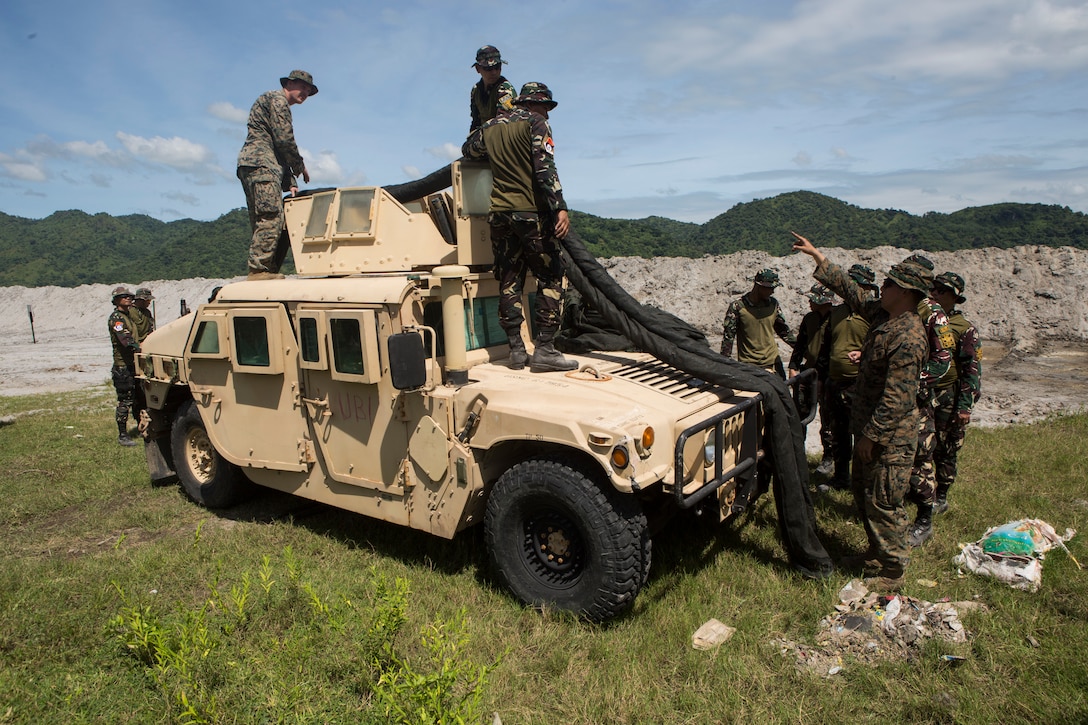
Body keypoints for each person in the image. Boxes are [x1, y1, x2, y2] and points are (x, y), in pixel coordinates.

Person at [792, 232, 929, 592]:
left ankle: (893, 570)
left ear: (906, 292)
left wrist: (871, 437)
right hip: (870, 428)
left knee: (884, 500)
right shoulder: (886, 317)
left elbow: (898, 397)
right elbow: (853, 292)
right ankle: (875, 554)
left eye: (890, 284)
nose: (882, 287)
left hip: (889, 437)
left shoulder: (909, 335)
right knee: (864, 494)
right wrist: (818, 257)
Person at [462, 82, 576, 373]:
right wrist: (559, 206)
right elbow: (544, 167)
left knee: (509, 279)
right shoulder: (535, 123)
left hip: (499, 215)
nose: (547, 115)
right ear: (534, 104)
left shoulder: (490, 127)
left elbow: (468, 149)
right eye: (545, 108)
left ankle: (516, 350)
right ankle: (546, 350)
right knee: (551, 276)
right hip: (531, 213)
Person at [237, 69, 318, 280]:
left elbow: (276, 145)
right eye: (303, 87)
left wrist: (288, 179)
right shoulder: (278, 101)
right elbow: (283, 139)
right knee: (270, 216)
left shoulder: (272, 101)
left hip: (257, 164)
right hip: (262, 164)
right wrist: (299, 166)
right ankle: (259, 269)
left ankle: (265, 268)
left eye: (309, 91)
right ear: (289, 84)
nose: (305, 93)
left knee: (263, 218)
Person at [900, 254, 953, 547]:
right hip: (894, 401)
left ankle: (924, 519)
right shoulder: (897, 307)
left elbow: (942, 360)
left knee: (921, 459)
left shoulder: (933, 313)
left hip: (916, 403)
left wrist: (914, 380)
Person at [817, 264, 879, 490]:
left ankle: (864, 483)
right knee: (839, 435)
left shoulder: (874, 314)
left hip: (860, 386)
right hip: (835, 383)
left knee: (864, 436)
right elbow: (826, 348)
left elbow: (882, 347)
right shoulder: (836, 313)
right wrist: (822, 380)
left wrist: (864, 355)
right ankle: (841, 478)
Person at [928, 272, 982, 515]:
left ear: (954, 297)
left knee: (946, 446)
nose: (935, 293)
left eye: (942, 290)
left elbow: (972, 369)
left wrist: (965, 406)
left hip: (949, 396)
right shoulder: (926, 319)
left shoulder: (964, 329)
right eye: (934, 288)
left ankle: (941, 494)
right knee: (923, 444)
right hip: (926, 392)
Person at [788, 284, 835, 474]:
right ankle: (797, 456)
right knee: (799, 416)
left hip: (827, 376)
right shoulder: (810, 319)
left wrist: (825, 377)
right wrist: (793, 366)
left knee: (829, 421)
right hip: (807, 374)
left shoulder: (835, 320)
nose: (809, 302)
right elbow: (800, 344)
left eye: (813, 298)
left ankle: (829, 458)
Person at [720, 268, 797, 378]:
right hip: (749, 365)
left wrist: (802, 350)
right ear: (759, 286)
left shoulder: (773, 305)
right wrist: (724, 366)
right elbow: (728, 339)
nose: (772, 291)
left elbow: (784, 332)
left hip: (773, 362)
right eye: (770, 288)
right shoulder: (738, 307)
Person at [108, 287, 141, 447]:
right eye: (124, 297)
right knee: (124, 401)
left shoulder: (128, 316)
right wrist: (140, 347)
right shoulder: (117, 319)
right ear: (116, 300)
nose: (128, 298)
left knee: (138, 398)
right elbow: (125, 340)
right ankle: (122, 434)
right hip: (123, 367)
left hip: (132, 364)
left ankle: (141, 427)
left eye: (129, 296)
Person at [468, 45, 516, 134]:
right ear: (478, 69)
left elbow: (504, 121)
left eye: (497, 67)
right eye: (488, 68)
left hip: (503, 136)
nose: (494, 72)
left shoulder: (505, 88)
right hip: (485, 138)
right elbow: (476, 121)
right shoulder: (476, 90)